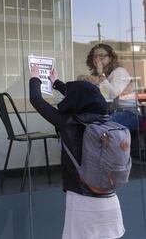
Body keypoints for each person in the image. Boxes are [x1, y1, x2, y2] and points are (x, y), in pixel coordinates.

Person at [29, 65, 125, 239]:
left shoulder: (68, 123)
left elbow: (36, 100)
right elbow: (85, 95)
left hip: (83, 200)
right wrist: (56, 82)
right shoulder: (106, 121)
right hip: (111, 200)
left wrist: (35, 77)